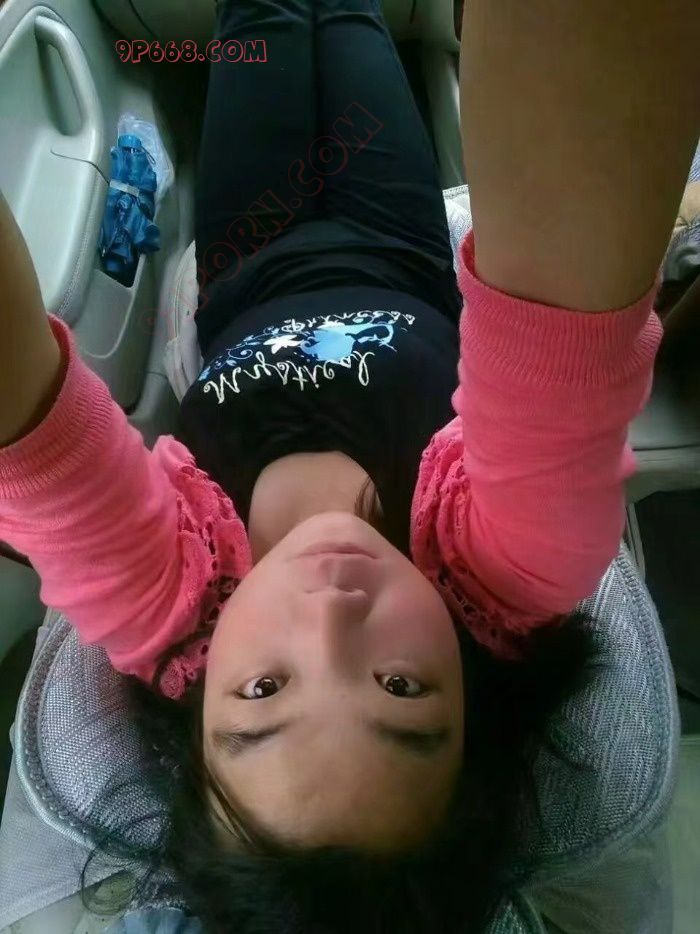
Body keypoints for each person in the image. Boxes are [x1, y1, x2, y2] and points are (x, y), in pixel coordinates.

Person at [1, 0, 698, 930]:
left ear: (193, 710)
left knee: (264, 14)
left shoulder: (160, 607)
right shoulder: (516, 567)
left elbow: (24, 434)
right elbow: (569, 317)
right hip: (395, 242)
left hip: (247, 255)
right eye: (401, 689)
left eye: (263, 692)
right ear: (479, 713)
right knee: (353, 16)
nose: (332, 615)